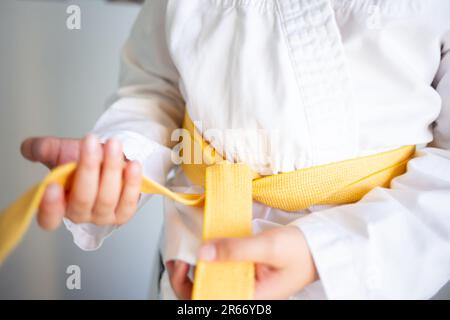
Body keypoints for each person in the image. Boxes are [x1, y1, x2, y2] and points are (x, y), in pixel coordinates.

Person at [20, 0, 450, 299]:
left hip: (373, 270)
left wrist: (325, 255)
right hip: (195, 265)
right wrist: (122, 166)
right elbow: (157, 88)